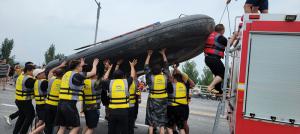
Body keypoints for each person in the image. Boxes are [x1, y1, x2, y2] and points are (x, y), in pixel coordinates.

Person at [56, 58, 99, 134]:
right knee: (76, 126)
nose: (82, 68)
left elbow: (77, 71)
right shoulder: (77, 75)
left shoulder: (66, 74)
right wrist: (94, 64)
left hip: (60, 103)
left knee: (62, 127)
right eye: (81, 67)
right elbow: (93, 72)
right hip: (69, 104)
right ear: (77, 67)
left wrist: (81, 63)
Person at [101, 59, 137, 134]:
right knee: (124, 130)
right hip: (124, 112)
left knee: (112, 130)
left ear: (114, 76)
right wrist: (132, 66)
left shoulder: (110, 82)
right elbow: (132, 76)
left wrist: (110, 68)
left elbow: (104, 78)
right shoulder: (126, 82)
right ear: (123, 76)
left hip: (112, 112)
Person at [145, 49, 170, 134]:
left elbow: (146, 67)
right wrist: (163, 53)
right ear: (161, 70)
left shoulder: (150, 78)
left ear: (153, 71)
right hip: (163, 100)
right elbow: (166, 66)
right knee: (162, 123)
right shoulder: (166, 77)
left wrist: (149, 55)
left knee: (151, 122)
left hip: (152, 100)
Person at [171, 64, 195, 134]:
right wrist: (179, 71)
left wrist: (175, 69)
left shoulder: (174, 84)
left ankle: (174, 131)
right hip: (184, 106)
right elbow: (193, 84)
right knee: (183, 123)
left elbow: (172, 76)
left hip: (176, 105)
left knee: (173, 123)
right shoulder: (185, 83)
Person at [204, 24, 228, 95]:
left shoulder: (211, 35)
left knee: (218, 75)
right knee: (223, 73)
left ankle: (218, 90)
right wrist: (235, 36)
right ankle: (210, 87)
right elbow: (230, 44)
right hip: (214, 59)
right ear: (222, 30)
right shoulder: (220, 38)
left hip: (208, 58)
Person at [13, 62, 36, 134]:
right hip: (25, 101)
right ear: (29, 71)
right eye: (33, 71)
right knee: (30, 116)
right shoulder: (29, 79)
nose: (34, 73)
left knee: (22, 117)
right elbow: (35, 85)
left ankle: (15, 132)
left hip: (18, 100)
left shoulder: (21, 76)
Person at [44, 61, 66, 134]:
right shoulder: (64, 82)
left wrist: (61, 65)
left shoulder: (51, 79)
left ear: (55, 74)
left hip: (47, 104)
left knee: (48, 123)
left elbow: (51, 71)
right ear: (62, 75)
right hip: (56, 106)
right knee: (56, 124)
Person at [30, 69, 48, 134]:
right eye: (42, 73)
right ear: (38, 75)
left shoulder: (36, 82)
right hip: (43, 104)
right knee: (46, 122)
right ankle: (31, 132)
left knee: (41, 121)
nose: (44, 73)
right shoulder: (44, 82)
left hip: (38, 104)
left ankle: (32, 132)